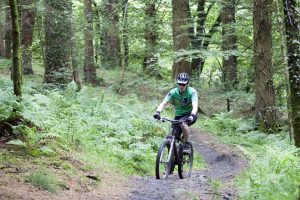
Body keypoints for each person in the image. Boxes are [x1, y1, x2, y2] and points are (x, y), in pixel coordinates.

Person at [153, 72, 198, 153]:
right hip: (178, 115)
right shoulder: (173, 92)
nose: (181, 86)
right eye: (180, 84)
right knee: (171, 137)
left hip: (190, 114)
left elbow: (195, 105)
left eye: (183, 84)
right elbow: (164, 103)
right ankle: (172, 158)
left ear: (186, 84)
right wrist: (158, 112)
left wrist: (192, 115)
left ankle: (186, 143)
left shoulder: (192, 92)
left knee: (183, 123)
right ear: (177, 83)